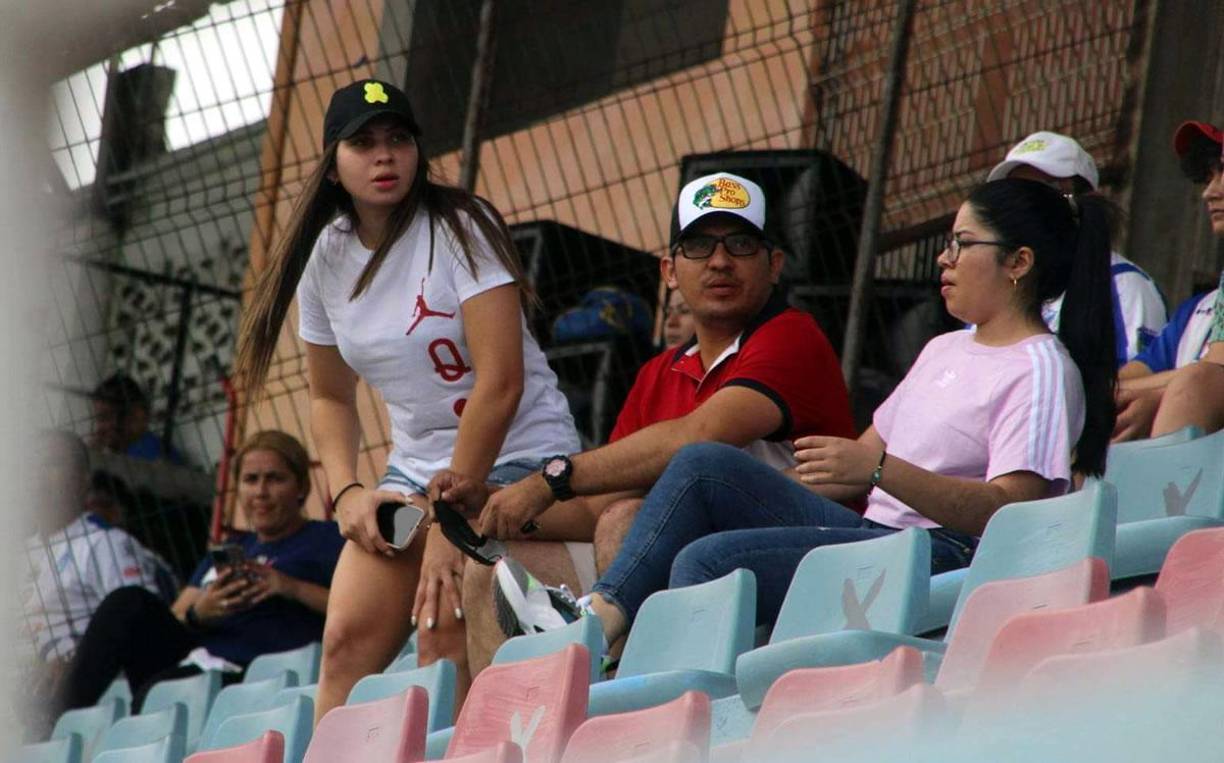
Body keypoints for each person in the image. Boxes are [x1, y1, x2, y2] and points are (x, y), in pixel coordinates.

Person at [496, 177, 1118, 644]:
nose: (943, 257)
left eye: (962, 243)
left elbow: (1012, 511)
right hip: (878, 537)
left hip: (943, 552)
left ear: (1018, 263)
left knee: (706, 537)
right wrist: (768, 492)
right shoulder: (944, 348)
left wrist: (876, 472)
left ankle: (600, 636)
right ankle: (606, 637)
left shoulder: (1037, 365)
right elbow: (851, 464)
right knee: (703, 498)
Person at [232, 78, 582, 721]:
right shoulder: (325, 258)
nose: (384, 156)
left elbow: (500, 383)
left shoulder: (459, 225)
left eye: (398, 139)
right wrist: (346, 493)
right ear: (333, 164)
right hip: (413, 477)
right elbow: (330, 397)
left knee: (442, 627)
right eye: (363, 143)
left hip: (513, 458)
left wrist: (451, 517)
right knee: (343, 643)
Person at [447, 171, 856, 665]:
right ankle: (520, 727)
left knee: (630, 517)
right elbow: (595, 507)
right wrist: (498, 507)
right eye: (700, 245)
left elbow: (698, 436)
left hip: (807, 557)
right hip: (684, 564)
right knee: (495, 569)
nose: (720, 262)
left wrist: (549, 480)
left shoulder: (792, 336)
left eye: (741, 244)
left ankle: (627, 693)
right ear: (668, 269)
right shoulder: (657, 374)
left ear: (774, 265)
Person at [55, 430, 344, 712]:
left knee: (160, 689)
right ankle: (56, 716)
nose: (261, 492)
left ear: (302, 487)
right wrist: (200, 612)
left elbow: (359, 608)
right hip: (198, 660)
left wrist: (290, 587)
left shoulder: (326, 539)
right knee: (127, 603)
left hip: (260, 671)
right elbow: (177, 615)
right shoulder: (230, 549)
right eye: (250, 480)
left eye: (275, 479)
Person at [987, 130, 1166, 364]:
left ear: (1083, 200)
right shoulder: (997, 281)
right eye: (1013, 194)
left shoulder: (1125, 285)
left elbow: (1132, 388)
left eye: (1042, 192)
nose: (1022, 205)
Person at [23, 431, 175, 666]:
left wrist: (73, 665)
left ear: (83, 480)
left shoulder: (103, 544)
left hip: (82, 688)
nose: (38, 477)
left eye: (52, 464)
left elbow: (144, 627)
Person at [1113, 121, 1224, 440]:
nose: (1209, 191)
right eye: (1207, 176)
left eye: (1222, 171)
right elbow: (1119, 387)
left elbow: (1203, 381)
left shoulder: (1124, 284)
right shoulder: (1197, 311)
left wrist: (1165, 393)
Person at [90, 373, 183, 463]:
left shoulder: (146, 452)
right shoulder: (131, 450)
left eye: (105, 418)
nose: (99, 429)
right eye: (99, 419)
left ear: (136, 415)